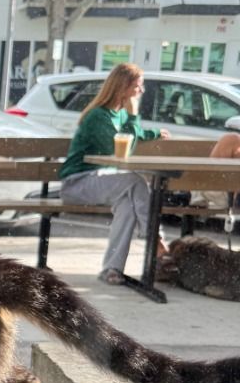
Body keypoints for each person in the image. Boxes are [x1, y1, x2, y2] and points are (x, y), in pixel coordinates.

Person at [58, 63, 176, 284]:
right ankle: (156, 241)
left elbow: (136, 134)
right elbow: (119, 151)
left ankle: (111, 269)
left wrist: (154, 133)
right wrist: (133, 115)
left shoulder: (118, 115)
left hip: (100, 182)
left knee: (128, 207)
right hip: (77, 183)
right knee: (135, 181)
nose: (141, 91)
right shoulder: (97, 116)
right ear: (123, 87)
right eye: (138, 86)